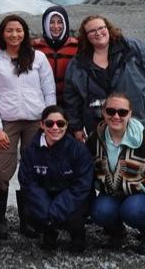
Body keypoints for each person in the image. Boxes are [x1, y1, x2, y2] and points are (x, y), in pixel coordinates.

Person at [0, 15, 56, 240]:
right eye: (9, 30)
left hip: (35, 121)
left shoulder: (39, 58)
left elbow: (49, 90)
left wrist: (49, 122)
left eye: (19, 30)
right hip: (8, 123)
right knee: (0, 172)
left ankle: (28, 220)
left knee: (32, 170)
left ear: (25, 32)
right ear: (2, 34)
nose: (15, 34)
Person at [85, 92, 145, 255]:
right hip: (115, 193)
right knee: (99, 211)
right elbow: (86, 170)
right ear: (104, 112)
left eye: (122, 112)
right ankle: (118, 232)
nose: (116, 116)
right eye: (111, 111)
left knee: (131, 210)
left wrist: (141, 186)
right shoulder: (94, 140)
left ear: (130, 114)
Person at [64, 14, 145, 143]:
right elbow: (72, 98)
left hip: (140, 121)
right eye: (91, 31)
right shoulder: (78, 63)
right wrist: (76, 127)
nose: (98, 33)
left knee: (144, 161)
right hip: (100, 129)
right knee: (107, 163)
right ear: (86, 36)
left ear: (108, 28)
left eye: (101, 28)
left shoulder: (132, 48)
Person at [18, 105, 93, 252]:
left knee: (75, 214)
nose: (55, 127)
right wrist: (45, 208)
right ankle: (49, 232)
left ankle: (77, 234)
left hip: (70, 198)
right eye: (49, 123)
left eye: (60, 123)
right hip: (46, 197)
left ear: (66, 125)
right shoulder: (30, 150)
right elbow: (27, 182)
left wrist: (55, 210)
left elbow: (82, 185)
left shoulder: (78, 150)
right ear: (41, 124)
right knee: (29, 212)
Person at [31, 6, 78, 106]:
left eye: (60, 22)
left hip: (72, 103)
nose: (56, 26)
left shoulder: (77, 47)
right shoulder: (34, 48)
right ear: (45, 24)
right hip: (42, 103)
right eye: (51, 22)